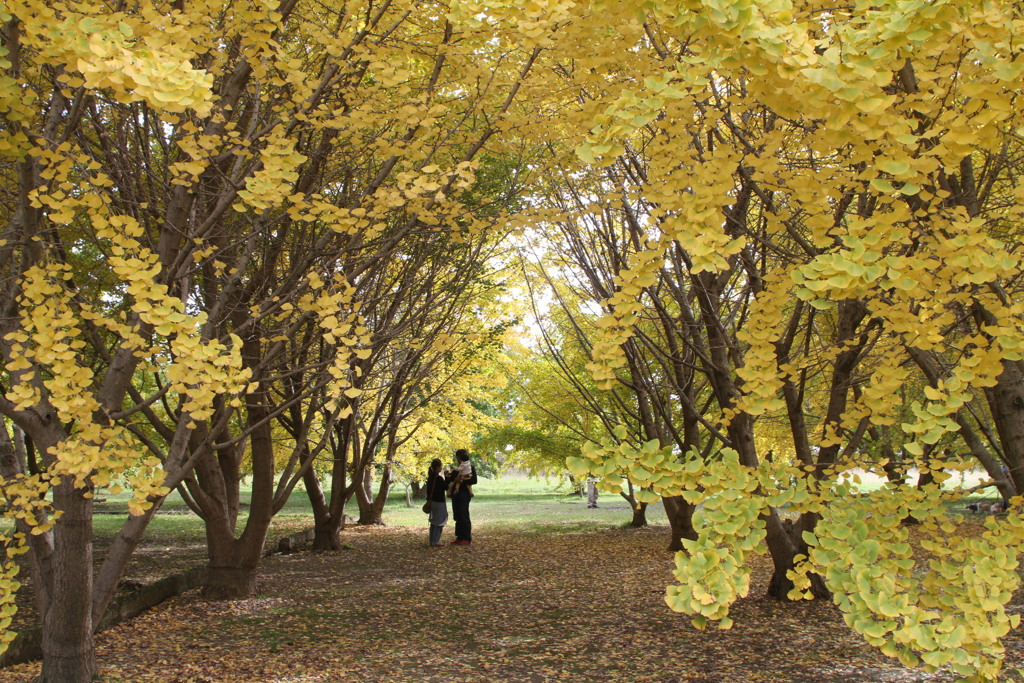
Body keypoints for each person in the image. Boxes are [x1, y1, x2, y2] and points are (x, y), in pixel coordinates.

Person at [448, 449, 477, 545]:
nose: (457, 459)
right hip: (455, 494)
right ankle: (459, 537)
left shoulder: (470, 467)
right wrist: (449, 477)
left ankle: (466, 538)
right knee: (457, 516)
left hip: (464, 493)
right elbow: (452, 479)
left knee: (464, 514)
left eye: (458, 457)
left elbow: (474, 480)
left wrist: (462, 481)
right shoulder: (457, 468)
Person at [425, 458, 448, 547]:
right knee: (439, 521)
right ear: (438, 467)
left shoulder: (430, 477)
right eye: (440, 466)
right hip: (439, 502)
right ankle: (436, 540)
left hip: (432, 502)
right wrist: (447, 478)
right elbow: (445, 487)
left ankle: (432, 540)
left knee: (434, 522)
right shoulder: (438, 478)